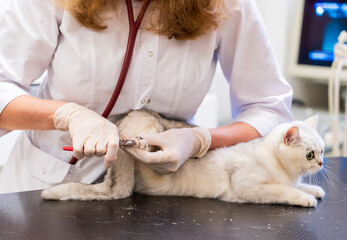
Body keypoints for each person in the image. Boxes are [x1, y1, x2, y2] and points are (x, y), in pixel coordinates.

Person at [0, 0, 293, 193]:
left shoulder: (227, 5)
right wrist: (67, 115)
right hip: (44, 188)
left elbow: (269, 108)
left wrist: (201, 140)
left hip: (160, 198)